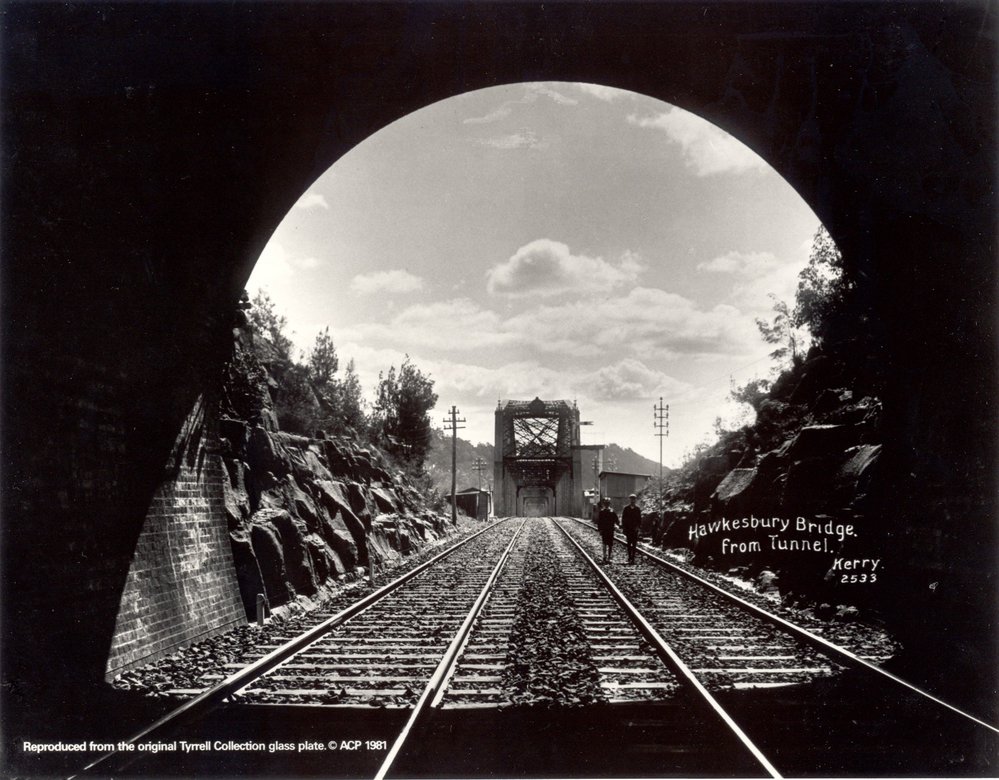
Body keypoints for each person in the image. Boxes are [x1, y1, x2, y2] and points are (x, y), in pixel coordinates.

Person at [596, 498, 618, 563]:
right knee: (604, 543)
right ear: (604, 504)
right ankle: (604, 557)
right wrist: (600, 529)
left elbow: (616, 519)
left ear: (609, 504)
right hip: (604, 530)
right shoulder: (602, 512)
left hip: (610, 529)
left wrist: (617, 525)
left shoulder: (612, 511)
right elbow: (599, 522)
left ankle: (609, 557)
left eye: (607, 503)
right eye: (605, 503)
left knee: (610, 544)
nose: (606, 505)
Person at [622, 493, 642, 564]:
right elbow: (623, 519)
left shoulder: (637, 509)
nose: (632, 500)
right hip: (628, 529)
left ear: (635, 500)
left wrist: (638, 527)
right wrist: (624, 528)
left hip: (635, 529)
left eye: (634, 499)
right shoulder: (626, 509)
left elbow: (639, 519)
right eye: (631, 499)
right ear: (629, 500)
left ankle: (633, 557)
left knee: (634, 544)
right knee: (628, 544)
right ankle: (629, 556)